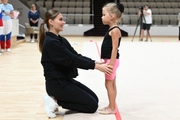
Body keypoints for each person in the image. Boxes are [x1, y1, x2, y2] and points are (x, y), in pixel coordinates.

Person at [38, 9, 113, 118]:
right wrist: (95, 67)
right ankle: (55, 100)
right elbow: (72, 59)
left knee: (94, 99)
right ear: (51, 22)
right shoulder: (51, 42)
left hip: (65, 80)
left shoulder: (60, 40)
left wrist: (95, 62)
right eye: (60, 19)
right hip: (56, 85)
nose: (63, 22)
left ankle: (57, 99)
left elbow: (76, 55)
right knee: (91, 106)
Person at [98, 3, 124, 115]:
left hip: (111, 61)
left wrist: (111, 64)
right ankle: (111, 104)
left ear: (112, 16)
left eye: (104, 15)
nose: (102, 17)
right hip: (110, 60)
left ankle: (112, 107)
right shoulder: (112, 29)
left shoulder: (115, 30)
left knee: (109, 84)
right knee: (111, 83)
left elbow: (114, 48)